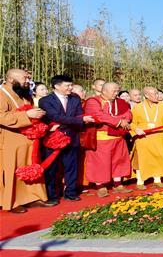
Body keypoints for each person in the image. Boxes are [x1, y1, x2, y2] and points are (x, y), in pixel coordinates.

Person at [0, 68, 52, 213]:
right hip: (10, 139)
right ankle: (12, 201)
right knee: (12, 171)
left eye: (28, 78)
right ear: (11, 79)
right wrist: (27, 115)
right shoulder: (1, 94)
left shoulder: (23, 94)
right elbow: (1, 116)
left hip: (29, 139)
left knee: (31, 167)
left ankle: (33, 197)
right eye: (24, 78)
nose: (28, 81)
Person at [38, 74, 95, 203]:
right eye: (67, 85)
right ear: (56, 86)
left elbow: (80, 116)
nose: (71, 88)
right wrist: (76, 120)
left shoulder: (75, 100)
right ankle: (52, 196)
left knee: (71, 166)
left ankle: (70, 192)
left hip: (72, 137)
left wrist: (74, 121)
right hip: (52, 139)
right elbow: (55, 116)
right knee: (51, 168)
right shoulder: (45, 101)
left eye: (71, 85)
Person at [83, 82, 133, 197]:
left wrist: (123, 120)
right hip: (102, 138)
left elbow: (128, 114)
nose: (116, 93)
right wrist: (119, 121)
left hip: (119, 137)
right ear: (104, 91)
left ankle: (118, 184)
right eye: (114, 91)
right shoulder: (93, 101)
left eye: (117, 91)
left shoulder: (120, 102)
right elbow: (99, 116)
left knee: (119, 161)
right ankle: (101, 186)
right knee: (100, 163)